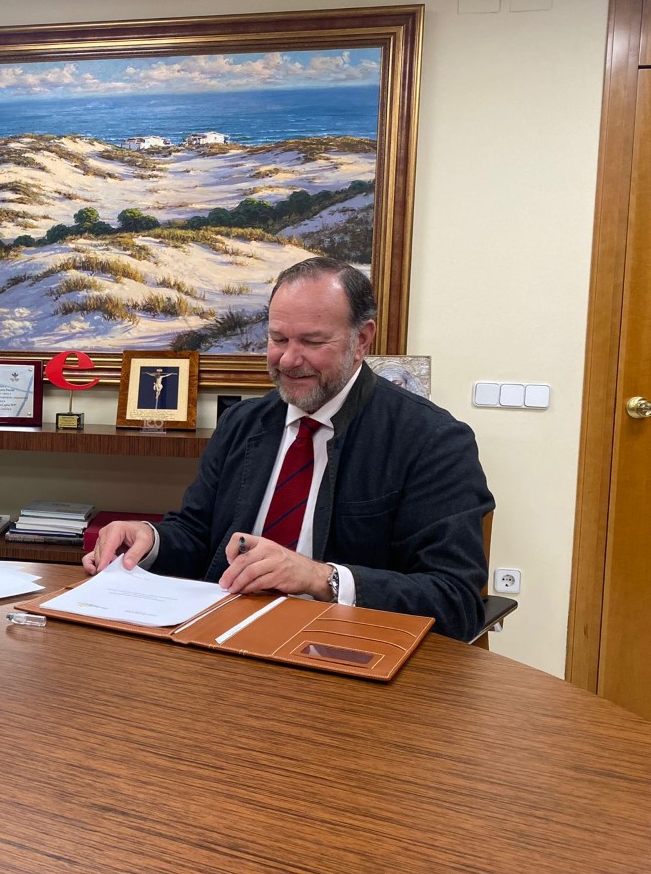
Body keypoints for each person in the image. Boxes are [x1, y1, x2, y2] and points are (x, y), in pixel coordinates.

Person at [84, 257, 494, 641]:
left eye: (312, 341)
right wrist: (149, 539)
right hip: (222, 634)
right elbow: (198, 534)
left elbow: (454, 599)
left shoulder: (431, 440)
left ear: (362, 339)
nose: (288, 360)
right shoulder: (243, 423)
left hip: (346, 647)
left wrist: (321, 579)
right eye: (278, 339)